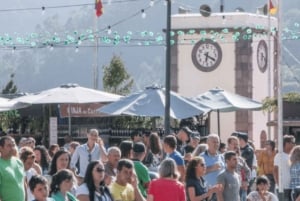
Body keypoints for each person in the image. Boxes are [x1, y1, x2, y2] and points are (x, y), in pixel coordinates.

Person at [0, 136, 27, 201]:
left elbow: (23, 183)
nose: (12, 148)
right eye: (9, 145)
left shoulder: (19, 162)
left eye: (13, 145)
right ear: (1, 148)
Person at [227, 135, 251, 201]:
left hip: (240, 188)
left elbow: (248, 171)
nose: (236, 146)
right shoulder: (223, 158)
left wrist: (246, 181)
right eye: (234, 144)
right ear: (229, 145)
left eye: (237, 144)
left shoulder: (240, 159)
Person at [273, 134, 295, 200]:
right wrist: (278, 184)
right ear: (286, 143)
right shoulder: (279, 155)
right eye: (292, 143)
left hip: (292, 186)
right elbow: (275, 170)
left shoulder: (293, 155)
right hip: (283, 187)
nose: (294, 144)